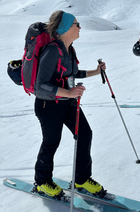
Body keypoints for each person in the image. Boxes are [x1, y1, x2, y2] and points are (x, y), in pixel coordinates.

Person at [34, 10, 106, 197]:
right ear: (66, 28)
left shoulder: (70, 49)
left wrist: (95, 72)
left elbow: (71, 73)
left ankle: (81, 179)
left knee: (85, 134)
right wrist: (69, 92)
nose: (79, 27)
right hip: (48, 106)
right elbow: (40, 86)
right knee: (51, 143)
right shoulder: (52, 51)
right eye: (76, 24)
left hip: (68, 103)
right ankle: (42, 182)